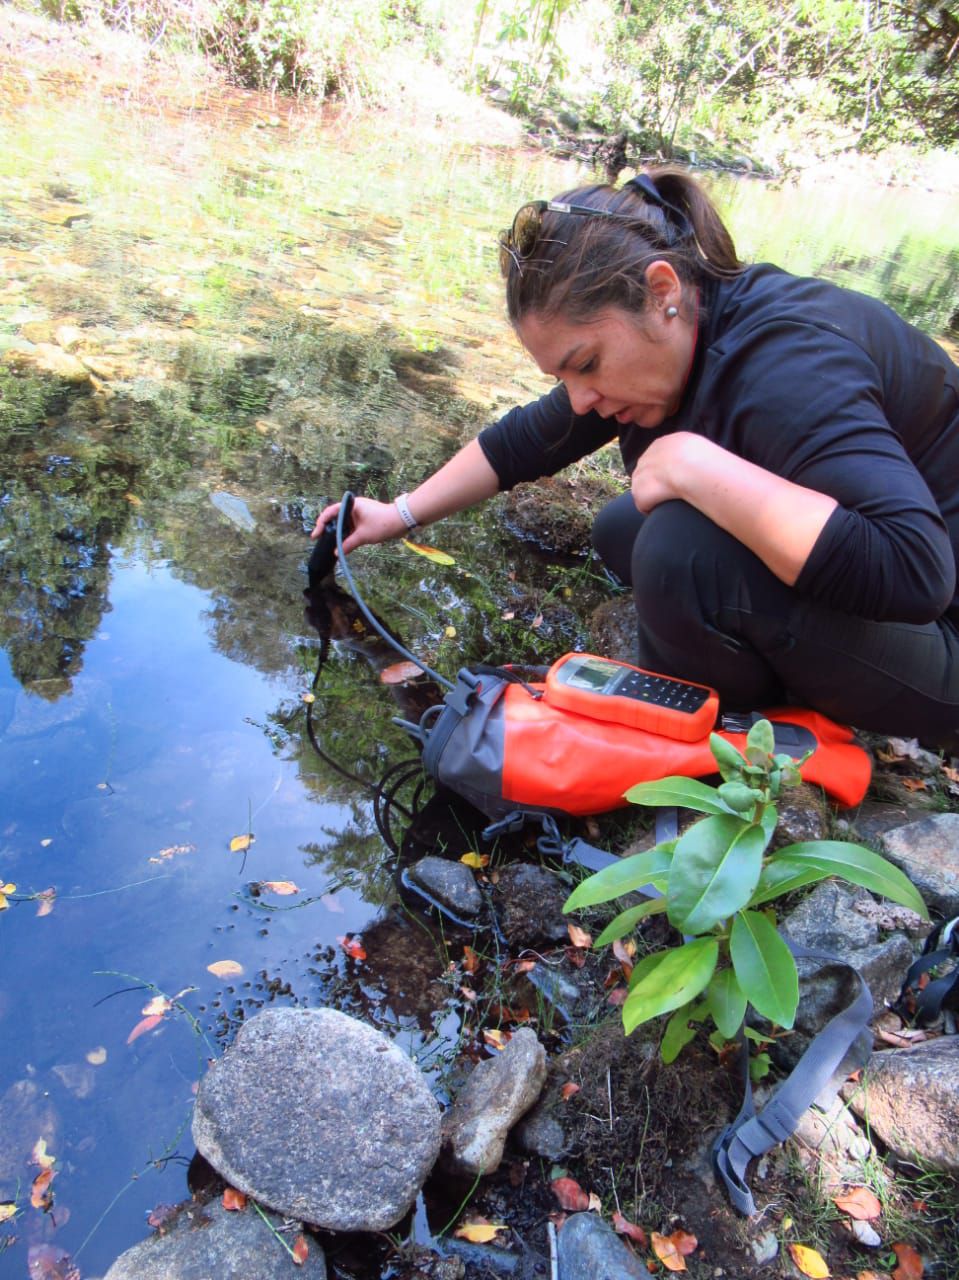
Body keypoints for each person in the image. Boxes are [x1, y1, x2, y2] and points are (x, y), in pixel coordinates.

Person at [314, 168, 959, 752]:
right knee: (623, 530)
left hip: (940, 640)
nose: (581, 397)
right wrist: (396, 515)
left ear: (661, 290)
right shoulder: (672, 335)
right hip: (873, 597)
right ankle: (747, 688)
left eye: (587, 364)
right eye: (563, 375)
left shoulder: (787, 367)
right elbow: (523, 442)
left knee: (677, 552)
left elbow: (917, 572)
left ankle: (727, 743)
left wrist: (694, 465)